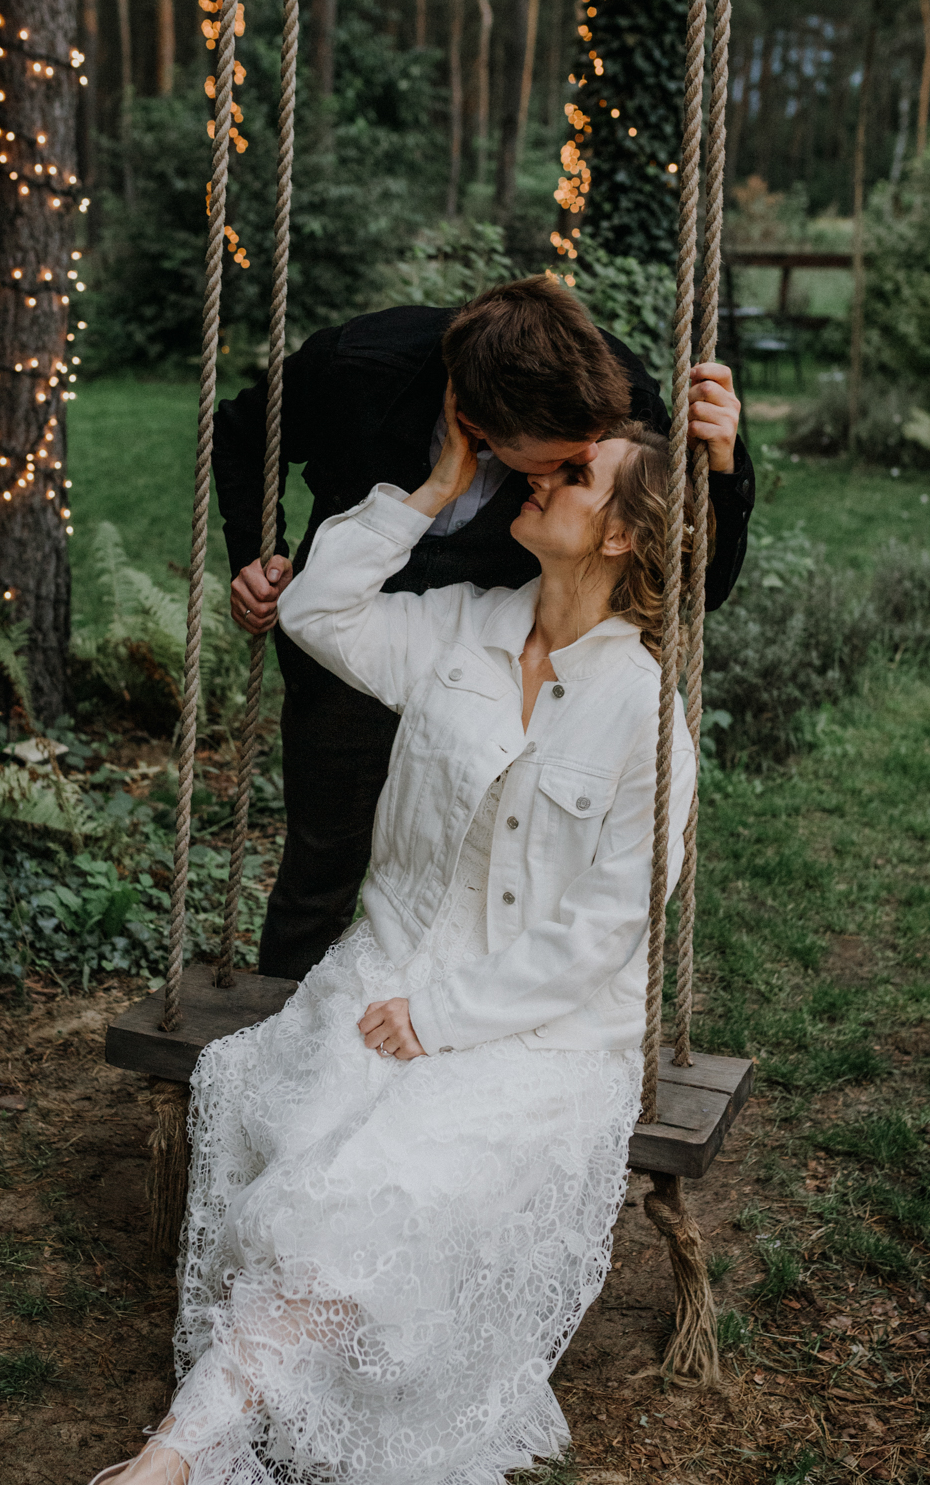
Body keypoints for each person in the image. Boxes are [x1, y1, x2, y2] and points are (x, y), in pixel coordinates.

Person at [40, 391, 703, 1485]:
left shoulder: (646, 710)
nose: (542, 474)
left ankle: (157, 1484)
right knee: (300, 1147)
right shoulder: (461, 625)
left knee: (369, 1198)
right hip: (382, 975)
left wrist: (444, 1019)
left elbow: (607, 928)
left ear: (621, 533)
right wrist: (431, 485)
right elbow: (318, 609)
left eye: (575, 473)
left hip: (539, 1039)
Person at [212, 277, 751, 983]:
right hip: (360, 635)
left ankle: (468, 1002)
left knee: (493, 875)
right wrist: (258, 553)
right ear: (475, 424)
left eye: (581, 467)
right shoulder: (358, 366)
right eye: (557, 462)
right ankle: (292, 1016)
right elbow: (242, 432)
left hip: (503, 661)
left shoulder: (608, 395)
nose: (568, 469)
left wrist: (724, 464)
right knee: (321, 862)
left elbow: (694, 582)